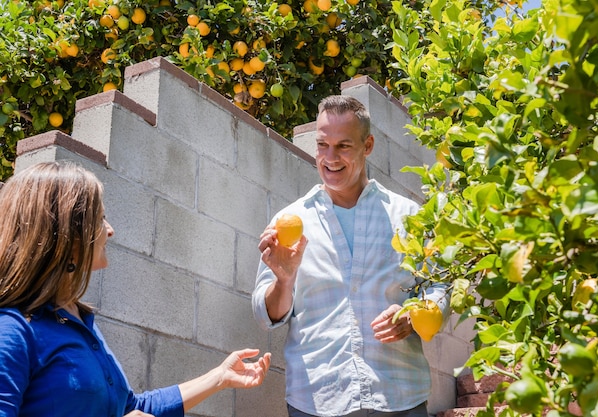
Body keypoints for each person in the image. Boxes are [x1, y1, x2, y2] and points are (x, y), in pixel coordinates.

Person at [0, 161, 271, 417]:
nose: (110, 230)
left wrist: (219, 378)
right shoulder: (13, 331)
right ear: (67, 235)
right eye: (100, 218)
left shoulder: (80, 322)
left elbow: (131, 407)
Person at [252, 95, 450, 417]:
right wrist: (284, 280)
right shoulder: (287, 222)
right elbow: (266, 316)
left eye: (343, 145)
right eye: (322, 145)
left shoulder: (408, 216)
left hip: (400, 396)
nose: (330, 158)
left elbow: (439, 286)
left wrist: (413, 315)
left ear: (367, 145)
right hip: (316, 401)